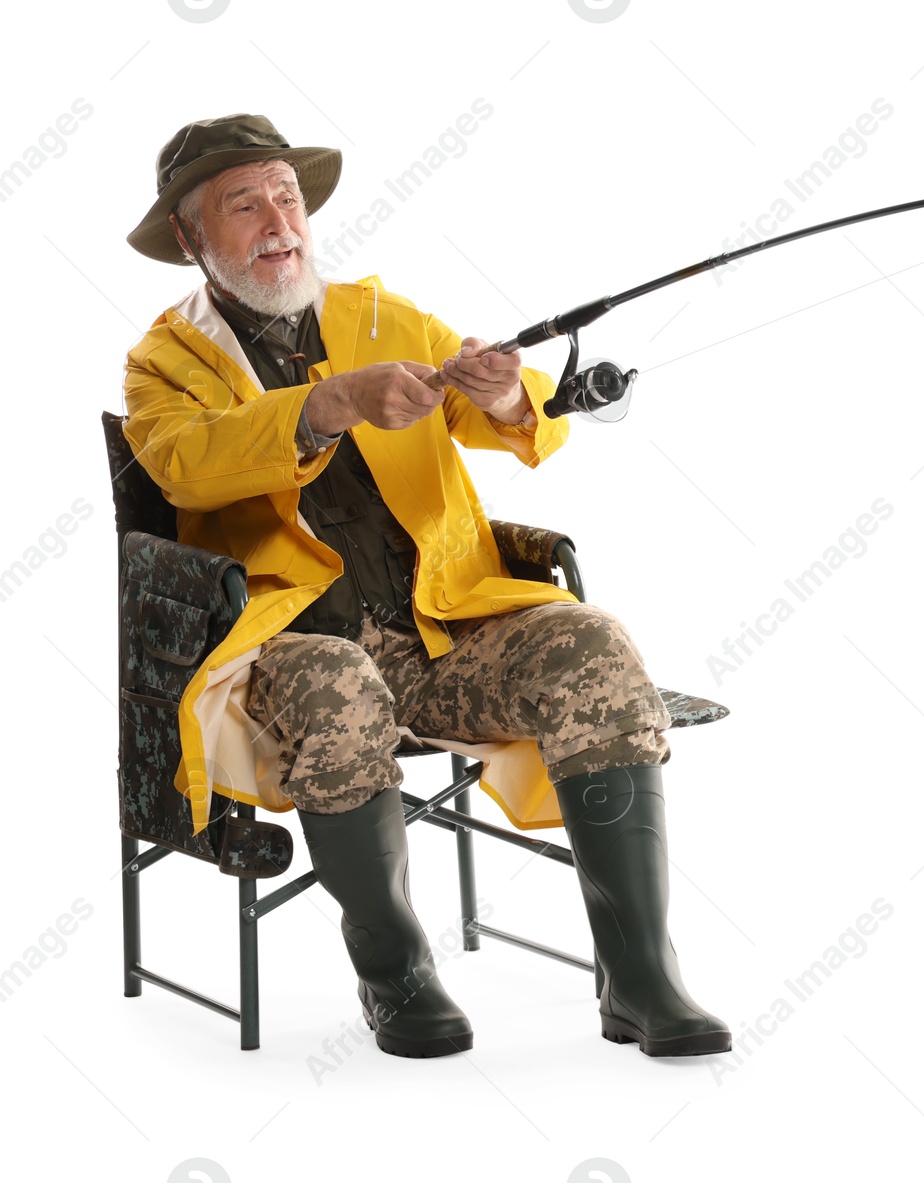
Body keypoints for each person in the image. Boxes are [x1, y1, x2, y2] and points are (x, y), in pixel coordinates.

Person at [121, 113, 730, 1059]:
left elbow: (527, 427)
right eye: (246, 206)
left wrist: (496, 394)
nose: (280, 221)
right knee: (340, 684)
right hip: (294, 646)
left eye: (288, 196)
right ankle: (393, 969)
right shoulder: (165, 361)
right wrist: (329, 404)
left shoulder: (382, 315)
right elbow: (183, 469)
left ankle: (641, 976)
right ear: (195, 239)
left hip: (443, 633)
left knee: (592, 644)